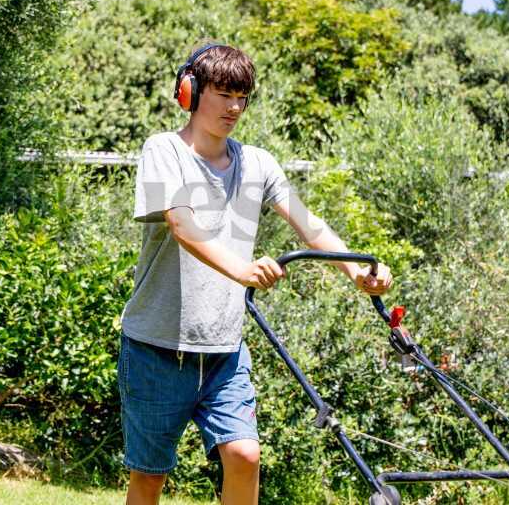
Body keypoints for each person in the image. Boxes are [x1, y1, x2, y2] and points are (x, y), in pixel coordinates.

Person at [118, 41, 394, 505]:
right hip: (155, 347)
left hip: (225, 351)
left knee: (245, 455)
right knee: (150, 479)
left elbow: (311, 227)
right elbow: (182, 224)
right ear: (189, 91)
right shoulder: (163, 149)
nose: (234, 107)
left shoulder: (257, 163)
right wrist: (243, 270)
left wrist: (358, 271)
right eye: (223, 93)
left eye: (242, 96)